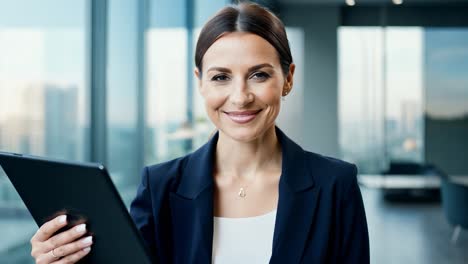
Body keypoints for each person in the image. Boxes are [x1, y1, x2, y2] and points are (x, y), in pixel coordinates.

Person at [30, 2, 369, 263]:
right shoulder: (160, 187)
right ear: (201, 83)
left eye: (259, 75)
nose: (240, 97)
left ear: (288, 78)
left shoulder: (334, 185)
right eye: (221, 77)